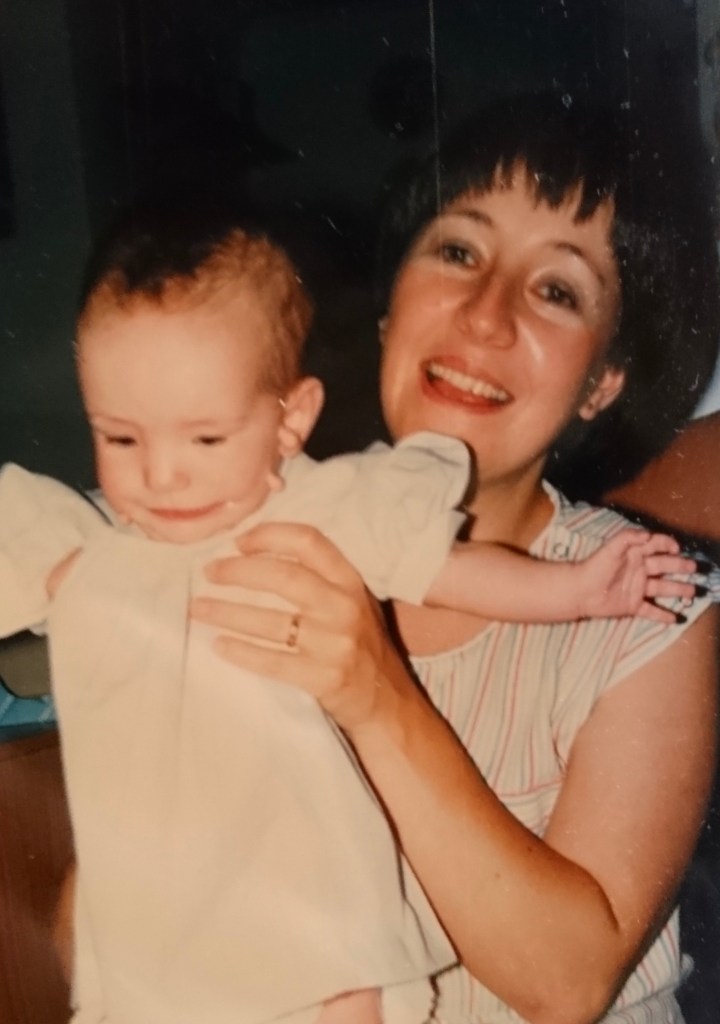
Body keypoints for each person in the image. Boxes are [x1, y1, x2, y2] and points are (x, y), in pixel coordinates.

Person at [0, 212, 696, 1024]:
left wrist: (577, 592)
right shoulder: (111, 546)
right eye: (459, 251)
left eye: (554, 288)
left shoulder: (332, 512)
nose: (163, 475)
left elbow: (453, 569)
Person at [190, 96, 720, 1024]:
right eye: (459, 252)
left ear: (602, 381)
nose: (484, 315)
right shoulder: (275, 537)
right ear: (393, 309)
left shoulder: (652, 600)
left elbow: (567, 983)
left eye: (556, 290)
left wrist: (373, 693)